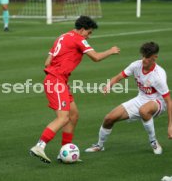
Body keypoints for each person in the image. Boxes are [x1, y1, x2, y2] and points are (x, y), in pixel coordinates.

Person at [29, 16, 120, 163]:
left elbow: (47, 62)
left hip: (58, 81)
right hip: (56, 81)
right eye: (89, 33)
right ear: (82, 29)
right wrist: (111, 50)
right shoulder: (78, 38)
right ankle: (39, 146)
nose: (89, 36)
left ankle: (63, 151)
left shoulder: (62, 36)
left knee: (73, 115)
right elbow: (95, 57)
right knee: (63, 118)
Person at [85, 42, 172, 155]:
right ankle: (99, 145)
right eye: (143, 56)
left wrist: (170, 126)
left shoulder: (158, 75)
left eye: (147, 57)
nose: (144, 59)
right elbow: (119, 76)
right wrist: (109, 84)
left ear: (155, 57)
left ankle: (153, 142)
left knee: (143, 110)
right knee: (109, 118)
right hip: (141, 99)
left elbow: (169, 101)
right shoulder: (136, 65)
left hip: (158, 102)